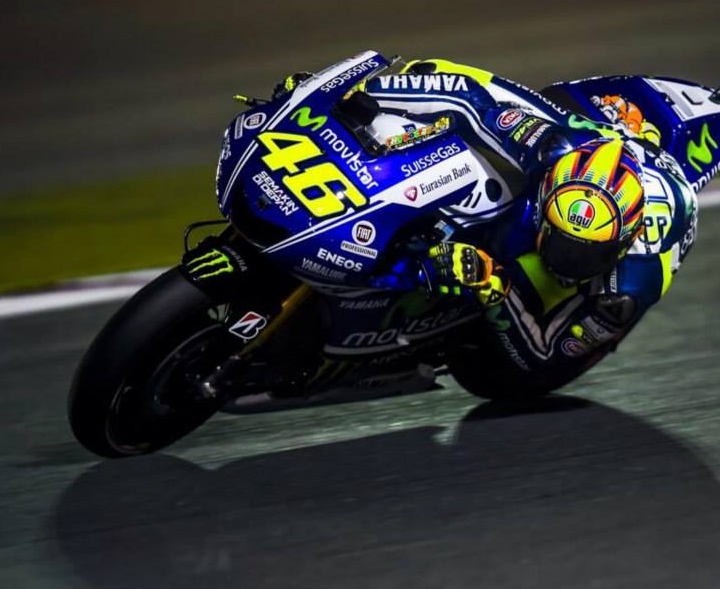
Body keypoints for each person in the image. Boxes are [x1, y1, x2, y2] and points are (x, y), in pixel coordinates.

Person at [282, 58, 698, 384]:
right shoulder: (547, 145)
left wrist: (494, 289)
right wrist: (355, 96)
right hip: (589, 142)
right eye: (559, 239)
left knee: (529, 349)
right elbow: (465, 95)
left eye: (584, 253)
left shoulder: (633, 281)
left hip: (640, 211)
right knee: (430, 88)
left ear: (623, 241)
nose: (564, 258)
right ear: (547, 196)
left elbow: (544, 355)